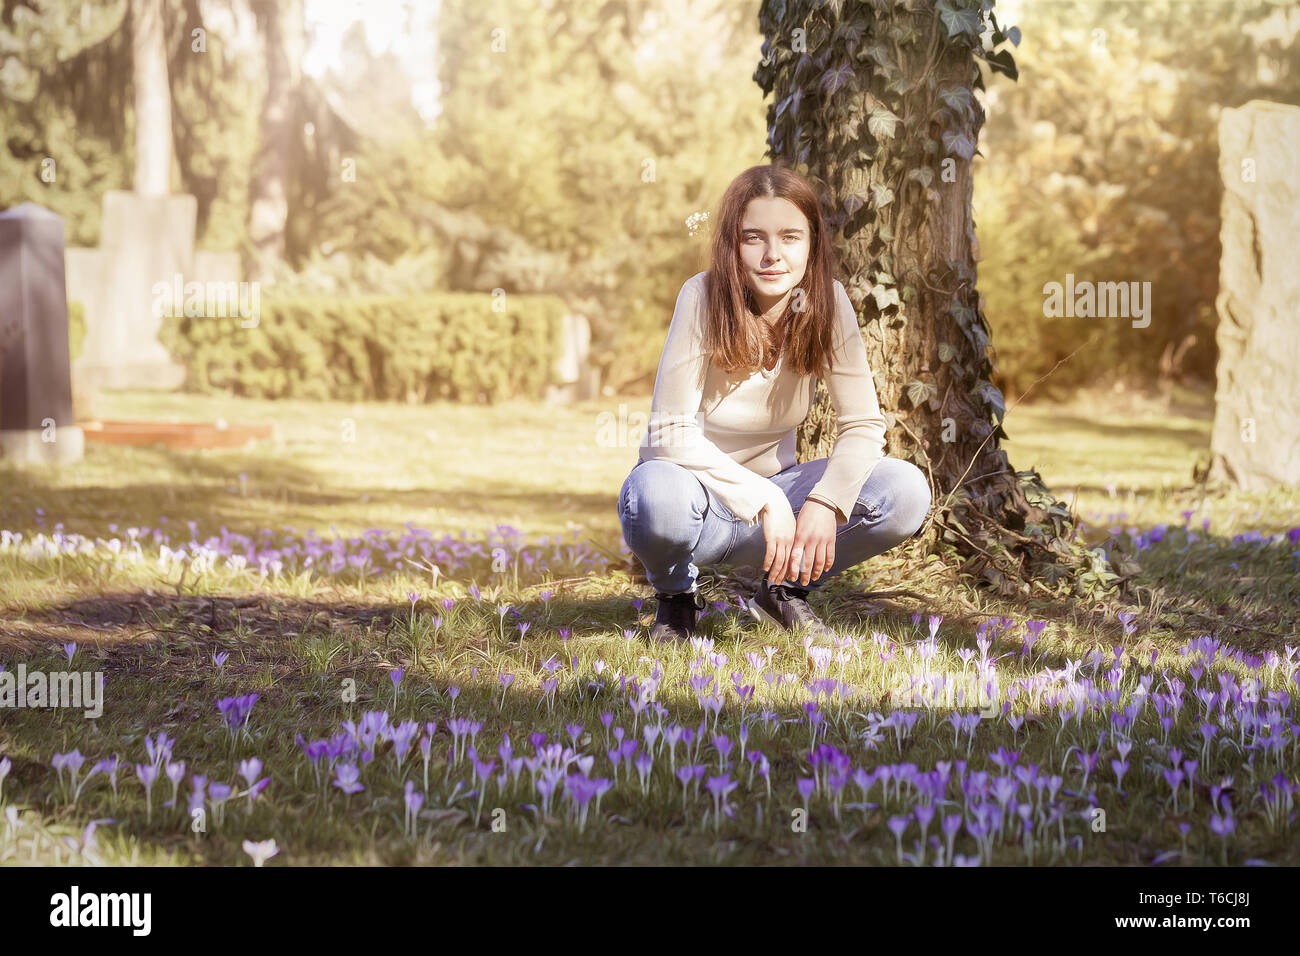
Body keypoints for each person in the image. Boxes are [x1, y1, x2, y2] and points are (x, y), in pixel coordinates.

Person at [617, 164, 931, 643]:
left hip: (780, 510)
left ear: (812, 244)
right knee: (653, 496)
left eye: (789, 237)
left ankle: (782, 592)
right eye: (753, 238)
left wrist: (825, 502)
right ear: (732, 244)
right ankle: (676, 597)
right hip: (697, 502)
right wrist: (762, 498)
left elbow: (864, 426)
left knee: (905, 490)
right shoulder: (701, 297)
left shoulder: (828, 302)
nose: (772, 255)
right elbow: (669, 433)